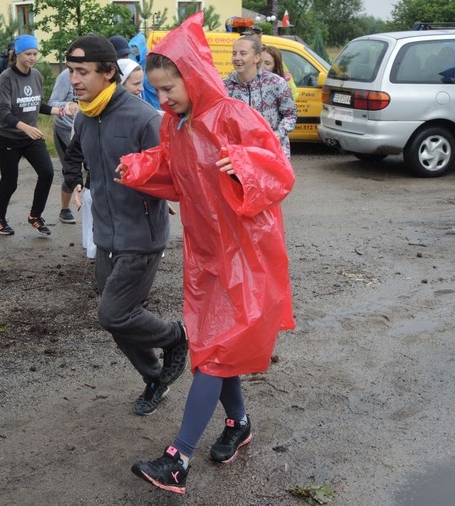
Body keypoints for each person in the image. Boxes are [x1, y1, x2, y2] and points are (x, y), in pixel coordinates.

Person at [116, 12, 295, 494]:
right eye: (157, 89)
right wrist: (140, 171)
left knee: (215, 353)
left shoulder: (235, 116)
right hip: (207, 255)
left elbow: (278, 172)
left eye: (170, 87)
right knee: (215, 347)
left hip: (247, 255)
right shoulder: (174, 127)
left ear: (193, 75)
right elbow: (177, 178)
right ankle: (238, 423)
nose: (164, 97)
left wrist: (242, 165)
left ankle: (178, 458)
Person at [62, 34, 188, 416]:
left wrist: (155, 188)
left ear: (108, 72)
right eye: (71, 71)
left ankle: (178, 337)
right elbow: (75, 156)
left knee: (113, 313)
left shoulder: (144, 118)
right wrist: (78, 180)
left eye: (82, 71)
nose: (75, 79)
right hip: (106, 235)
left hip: (141, 235)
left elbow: (174, 171)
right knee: (118, 319)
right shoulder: (86, 115)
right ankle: (155, 378)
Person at [0, 34, 70, 236]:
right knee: (9, 182)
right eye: (28, 54)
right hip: (8, 138)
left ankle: (35, 215)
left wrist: (61, 111)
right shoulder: (6, 78)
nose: (32, 58)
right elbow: (3, 110)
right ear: (18, 53)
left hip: (31, 137)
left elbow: (38, 105)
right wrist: (24, 127)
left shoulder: (36, 75)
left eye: (35, 54)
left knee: (47, 172)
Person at [224, 35, 297, 158]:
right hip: (240, 156)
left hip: (273, 154)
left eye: (243, 53)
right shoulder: (225, 87)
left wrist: (278, 133)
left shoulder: (276, 83)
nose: (237, 58)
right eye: (234, 53)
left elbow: (290, 114)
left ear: (257, 58)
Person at [48, 68, 80, 224]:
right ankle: (65, 209)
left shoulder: (93, 72)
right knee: (71, 168)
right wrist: (68, 104)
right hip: (65, 129)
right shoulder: (64, 77)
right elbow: (52, 103)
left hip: (85, 127)